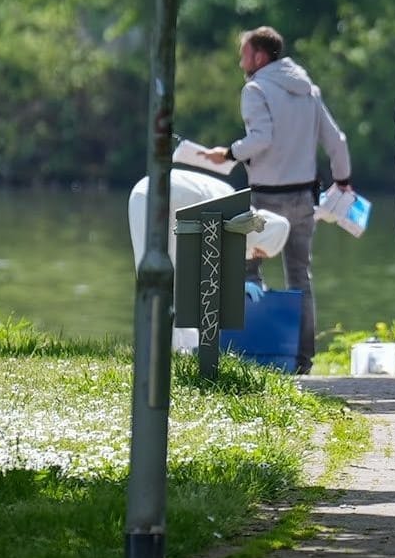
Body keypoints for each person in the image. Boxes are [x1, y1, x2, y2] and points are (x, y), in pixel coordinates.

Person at [203, 26, 352, 374]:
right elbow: (337, 141)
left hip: (266, 199)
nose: (241, 60)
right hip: (304, 198)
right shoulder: (309, 91)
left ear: (260, 56)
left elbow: (261, 138)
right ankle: (302, 360)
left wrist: (227, 153)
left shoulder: (255, 89)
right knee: (301, 277)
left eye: (244, 54)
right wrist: (343, 180)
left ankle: (253, 353)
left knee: (248, 270)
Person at [127, 168, 291, 352]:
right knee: (156, 278)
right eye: (260, 252)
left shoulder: (235, 208)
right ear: (264, 236)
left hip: (145, 192)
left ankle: (176, 348)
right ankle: (165, 350)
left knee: (161, 277)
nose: (254, 256)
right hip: (156, 197)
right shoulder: (233, 210)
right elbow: (210, 274)